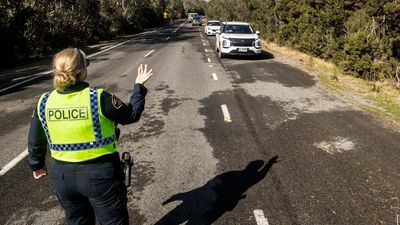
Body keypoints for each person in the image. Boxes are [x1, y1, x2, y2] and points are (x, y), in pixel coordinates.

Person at [27, 47, 153, 225]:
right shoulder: (98, 98)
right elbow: (131, 115)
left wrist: (36, 164)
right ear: (82, 70)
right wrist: (139, 87)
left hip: (63, 177)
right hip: (101, 176)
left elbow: (35, 140)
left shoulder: (44, 101)